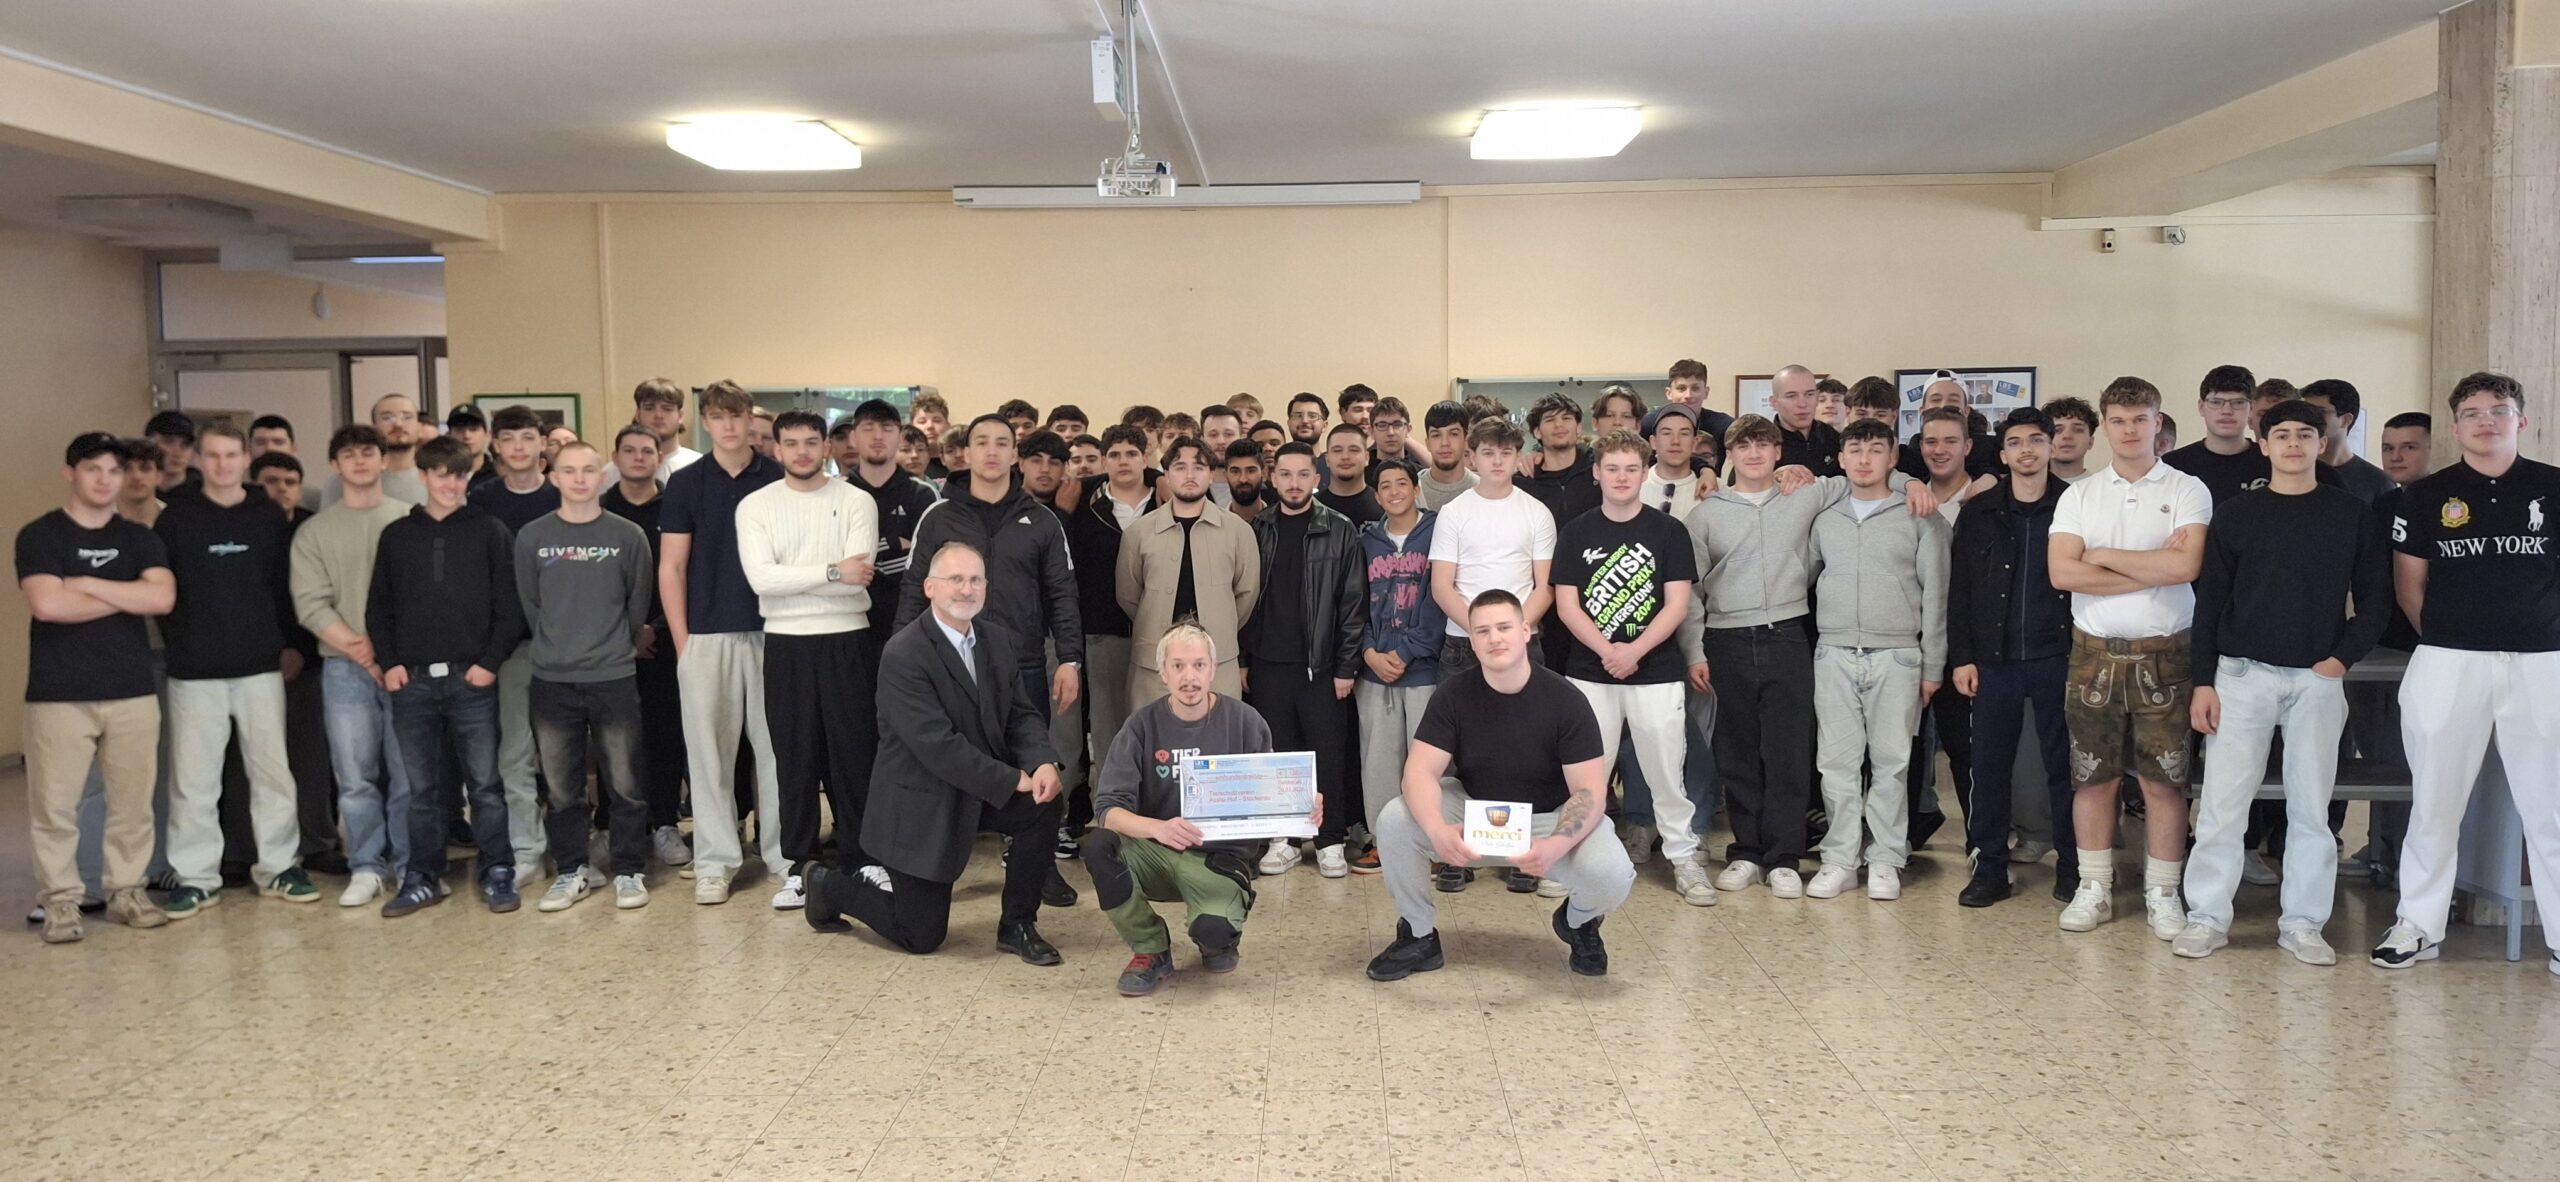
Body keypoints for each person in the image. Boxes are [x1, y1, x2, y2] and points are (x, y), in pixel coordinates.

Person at [2177, 400, 2390, 964]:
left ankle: (2302, 923)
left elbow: (2376, 600)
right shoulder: (2237, 514)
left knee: (2311, 807)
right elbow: (2210, 604)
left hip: (2317, 678)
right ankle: (2207, 916)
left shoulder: (2351, 514)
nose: (2293, 444)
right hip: (2241, 674)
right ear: (2263, 444)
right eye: (2281, 435)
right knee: (2224, 805)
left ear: (2323, 444)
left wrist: (2340, 661)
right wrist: (2204, 681)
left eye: (2305, 435)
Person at [2373, 372, 2560, 972]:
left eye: (2499, 410)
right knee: (2434, 803)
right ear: (2456, 427)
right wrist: (2459, 640)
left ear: (2520, 420)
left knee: (2550, 806)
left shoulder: (2553, 488)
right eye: (2473, 412)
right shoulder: (2425, 496)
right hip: (2450, 663)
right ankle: (2418, 925)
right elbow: (2411, 589)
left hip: (2543, 663)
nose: (2486, 421)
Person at [801, 542, 1067, 965]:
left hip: (978, 789)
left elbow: (1021, 714)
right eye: (955, 579)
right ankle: (829, 887)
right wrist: (1014, 779)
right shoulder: (904, 653)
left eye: (976, 579)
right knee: (921, 935)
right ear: (929, 587)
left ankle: (1018, 924)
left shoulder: (997, 641)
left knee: (1045, 800)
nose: (967, 589)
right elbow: (938, 747)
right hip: (924, 804)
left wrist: (1041, 762)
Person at [1366, 590, 1634, 980]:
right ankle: (1418, 935)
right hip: (1474, 812)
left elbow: (1588, 793)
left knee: (1612, 872)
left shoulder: (1566, 700)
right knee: (1394, 818)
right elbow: (1419, 772)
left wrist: (1554, 846)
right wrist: (1438, 831)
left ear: (1526, 631)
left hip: (1549, 819)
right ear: (1471, 640)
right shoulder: (1453, 695)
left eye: (1504, 627)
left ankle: (1578, 923)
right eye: (1483, 631)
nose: (1494, 638)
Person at [2048, 376, 2213, 939]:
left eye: (2140, 420)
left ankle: (2164, 891)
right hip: (2093, 657)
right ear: (2105, 426)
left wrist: (2105, 559)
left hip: (2166, 657)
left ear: (2158, 424)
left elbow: (2186, 568)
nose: (2129, 430)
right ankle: (2093, 886)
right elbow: (2062, 573)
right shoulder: (2079, 495)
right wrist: (2147, 566)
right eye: (2118, 420)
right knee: (2092, 778)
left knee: (2164, 782)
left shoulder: (2189, 489)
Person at [18, 433, 178, 942]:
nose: (106, 479)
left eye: (114, 470)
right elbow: (48, 606)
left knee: (132, 803)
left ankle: (127, 891)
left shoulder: (140, 538)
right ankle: (61, 900)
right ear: (71, 474)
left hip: (131, 689)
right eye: (94, 469)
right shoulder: (41, 536)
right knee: (56, 806)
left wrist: (83, 583)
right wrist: (129, 595)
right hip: (59, 693)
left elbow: (163, 599)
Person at [154, 422, 316, 915]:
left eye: (231, 455)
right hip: (194, 670)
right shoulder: (176, 517)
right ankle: (196, 876)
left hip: (259, 666)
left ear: (246, 460)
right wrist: (180, 647)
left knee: (272, 772)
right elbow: (165, 595)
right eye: (213, 456)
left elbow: (281, 587)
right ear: (199, 461)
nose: (222, 464)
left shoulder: (266, 514)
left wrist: (291, 645)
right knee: (195, 780)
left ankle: (278, 867)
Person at [1551, 432, 1710, 904]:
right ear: (1597, 472)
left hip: (1656, 671)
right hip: (1590, 670)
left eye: (1631, 469)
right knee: (1586, 774)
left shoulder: (1669, 532)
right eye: (1612, 468)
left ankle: (1683, 858)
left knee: (1666, 771)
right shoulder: (1577, 531)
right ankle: (1567, 858)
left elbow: (1677, 604)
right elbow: (1567, 605)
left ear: (1646, 474)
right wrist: (1609, 651)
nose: (1621, 477)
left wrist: (1634, 651)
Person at [368, 435, 523, 916]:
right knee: (423, 791)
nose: (451, 484)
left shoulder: (490, 530)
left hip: (470, 679)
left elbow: (510, 607)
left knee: (485, 786)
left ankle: (498, 869)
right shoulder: (397, 535)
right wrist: (390, 662)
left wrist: (489, 664)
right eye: (441, 474)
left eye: (459, 475)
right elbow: (379, 607)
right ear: (423, 476)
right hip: (411, 682)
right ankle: (423, 875)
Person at [1083, 624, 1281, 995]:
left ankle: (1218, 937)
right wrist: (1157, 829)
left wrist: (1303, 809)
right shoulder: (1140, 726)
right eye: (1177, 666)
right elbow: (1108, 810)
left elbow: (1271, 800)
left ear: (1213, 669)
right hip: (1156, 852)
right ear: (1163, 673)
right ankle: (1150, 949)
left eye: (1198, 665)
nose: (1189, 677)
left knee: (1214, 935)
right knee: (1098, 846)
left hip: (1217, 860)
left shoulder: (1245, 722)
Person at [1805, 418, 1950, 902]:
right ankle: (1840, 858)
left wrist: (1933, 666)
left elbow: (1937, 597)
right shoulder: (1825, 517)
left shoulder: (1920, 515)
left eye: (1875, 450)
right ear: (1841, 458)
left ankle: (1887, 856)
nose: (1864, 459)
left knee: (1891, 762)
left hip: (1899, 656)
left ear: (1893, 458)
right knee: (1836, 762)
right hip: (1834, 652)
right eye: (1855, 450)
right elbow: (1804, 576)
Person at [738, 410, 881, 895]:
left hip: (847, 638)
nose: (801, 451)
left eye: (810, 441)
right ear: (775, 450)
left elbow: (858, 576)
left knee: (854, 751)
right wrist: (832, 571)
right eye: (791, 442)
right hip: (785, 642)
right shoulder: (755, 506)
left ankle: (863, 857)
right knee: (794, 754)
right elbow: (762, 580)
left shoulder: (857, 500)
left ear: (826, 447)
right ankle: (799, 866)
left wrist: (811, 577)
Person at [658, 379, 786, 905]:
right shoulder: (687, 482)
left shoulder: (778, 476)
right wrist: (683, 642)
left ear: (748, 420)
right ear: (704, 423)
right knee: (708, 756)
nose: (729, 425)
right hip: (705, 636)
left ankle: (785, 853)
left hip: (774, 632)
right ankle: (716, 860)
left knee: (779, 752)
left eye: (736, 415)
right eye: (718, 416)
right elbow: (672, 566)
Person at [896, 416, 1083, 773]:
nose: (991, 451)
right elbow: (913, 590)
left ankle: (1024, 830)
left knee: (1027, 758)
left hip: (1023, 662)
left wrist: (1070, 660)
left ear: (1015, 454)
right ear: (966, 453)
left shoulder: (1042, 520)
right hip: (950, 660)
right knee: (957, 760)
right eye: (981, 442)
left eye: (1001, 443)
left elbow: (1062, 594)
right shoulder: (938, 516)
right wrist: (900, 657)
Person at [514, 441, 655, 913]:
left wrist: (613, 643)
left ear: (603, 476)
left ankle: (630, 869)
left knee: (626, 783)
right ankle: (573, 870)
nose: (578, 478)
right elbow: (532, 605)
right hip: (552, 680)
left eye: (588, 470)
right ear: (552, 476)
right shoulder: (532, 537)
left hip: (613, 675)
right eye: (568, 470)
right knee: (560, 787)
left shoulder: (628, 535)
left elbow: (637, 606)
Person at [1949, 409, 2080, 907]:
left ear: (2051, 447)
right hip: (1993, 659)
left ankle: (2072, 867)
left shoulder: (2076, 506)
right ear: (2002, 454)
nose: (2026, 450)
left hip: (2060, 656)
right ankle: (1990, 868)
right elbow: (1959, 591)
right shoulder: (1979, 510)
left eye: (2036, 441)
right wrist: (1962, 657)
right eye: (2015, 442)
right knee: (1989, 765)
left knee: (2065, 768)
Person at [290, 425, 416, 907]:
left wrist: (391, 654)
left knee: (407, 776)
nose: (360, 461)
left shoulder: (409, 519)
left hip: (404, 667)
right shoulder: (315, 531)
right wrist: (363, 651)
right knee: (355, 775)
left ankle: (409, 865)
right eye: (349, 454)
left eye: (369, 452)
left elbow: (423, 599)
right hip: (344, 669)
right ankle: (366, 865)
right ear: (336, 466)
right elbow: (310, 603)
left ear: (383, 461)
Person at [1242, 441, 1366, 878]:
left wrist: (1347, 666)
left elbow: (1353, 604)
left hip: (1322, 666)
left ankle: (1330, 840)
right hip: (1268, 663)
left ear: (1317, 479)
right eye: (1285, 474)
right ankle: (1284, 838)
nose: (1294, 483)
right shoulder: (1257, 528)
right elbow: (1245, 599)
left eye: (1303, 475)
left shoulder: (1341, 529)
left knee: (1327, 754)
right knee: (1279, 755)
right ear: (1273, 480)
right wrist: (1243, 659)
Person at [468, 404, 563, 878]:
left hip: (564, 645)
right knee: (515, 754)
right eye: (510, 439)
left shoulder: (564, 494)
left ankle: (572, 850)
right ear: (495, 445)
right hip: (507, 648)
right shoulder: (480, 501)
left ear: (541, 444)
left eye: (528, 438)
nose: (520, 447)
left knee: (567, 755)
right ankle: (527, 848)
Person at [600, 424, 690, 871]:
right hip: (609, 646)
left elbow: (681, 571)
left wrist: (652, 628)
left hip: (666, 638)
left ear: (659, 457)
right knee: (613, 739)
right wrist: (625, 633)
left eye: (646, 451)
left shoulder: (674, 506)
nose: (638, 457)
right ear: (614, 457)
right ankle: (616, 826)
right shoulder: (598, 510)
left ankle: (665, 823)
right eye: (629, 450)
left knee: (665, 734)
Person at [1118, 436, 1259, 707]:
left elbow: (1246, 594)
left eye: (1199, 467)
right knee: (1153, 743)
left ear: (1211, 475)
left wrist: (1221, 623)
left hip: (1218, 661)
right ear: (1167, 474)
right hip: (1153, 665)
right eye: (1180, 467)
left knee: (1218, 740)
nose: (1190, 475)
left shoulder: (1238, 531)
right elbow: (1129, 596)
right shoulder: (1138, 532)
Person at [1354, 459, 1445, 871]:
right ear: (1376, 495)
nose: (1394, 491)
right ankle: (1382, 840)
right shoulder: (1366, 541)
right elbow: (1353, 602)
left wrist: (1408, 651)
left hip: (1424, 669)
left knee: (1427, 763)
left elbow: (1439, 599)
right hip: (1375, 671)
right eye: (1385, 485)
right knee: (1378, 760)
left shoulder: (1439, 532)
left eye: (1402, 483)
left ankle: (1434, 842)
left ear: (1416, 488)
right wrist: (1370, 652)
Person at [1066, 425, 1156, 843]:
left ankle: (1155, 815)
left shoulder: (1168, 499)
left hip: (1161, 636)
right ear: (1104, 461)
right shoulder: (1084, 503)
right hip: (1104, 635)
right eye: (1115, 454)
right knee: (1108, 733)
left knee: (1158, 729)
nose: (1123, 461)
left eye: (1131, 453)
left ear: (1146, 457)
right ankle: (1112, 821)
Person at [1429, 417, 1555, 685]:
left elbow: (1545, 586)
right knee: (1461, 724)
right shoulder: (1453, 513)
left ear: (1518, 457)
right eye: (1488, 453)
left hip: (1523, 637)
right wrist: (1480, 631)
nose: (1497, 462)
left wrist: (1512, 631)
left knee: (1528, 724)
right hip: (1464, 639)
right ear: (1472, 457)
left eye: (1506, 453)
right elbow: (1441, 586)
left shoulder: (1537, 512)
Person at [1518, 393, 1600, 546]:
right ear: (1537, 432)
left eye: (1566, 418)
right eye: (1550, 420)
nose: (1559, 425)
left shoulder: (1600, 469)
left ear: (1579, 427)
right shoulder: (1523, 482)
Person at [319, 395, 427, 507]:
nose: (398, 424)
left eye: (407, 417)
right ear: (374, 427)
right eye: (387, 418)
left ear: (419, 427)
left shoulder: (436, 479)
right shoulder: (343, 482)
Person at [2299, 379, 2395, 505]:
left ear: (2345, 420)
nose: (2308, 419)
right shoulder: (2293, 470)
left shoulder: (2378, 482)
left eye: (2320, 412)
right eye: (2305, 411)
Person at [1638, 404, 1711, 520]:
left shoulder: (1713, 488)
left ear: (1694, 442)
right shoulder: (1634, 486)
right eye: (1667, 433)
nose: (1676, 441)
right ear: (1653, 442)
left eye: (1684, 433)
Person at [1768, 365, 1842, 477]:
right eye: (1791, 396)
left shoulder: (1833, 438)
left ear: (1817, 397)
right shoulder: (1760, 444)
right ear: (1774, 402)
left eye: (1809, 394)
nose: (1802, 404)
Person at [1415, 400, 1478, 511]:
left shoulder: (1484, 489)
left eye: (1453, 434)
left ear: (1466, 440)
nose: (1444, 443)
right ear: (1428, 443)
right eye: (1436, 435)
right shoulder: (1410, 490)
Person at [633, 377, 701, 481]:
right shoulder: (618, 470)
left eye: (667, 409)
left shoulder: (701, 467)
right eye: (649, 408)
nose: (658, 415)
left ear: (680, 416)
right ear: (638, 415)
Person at [1316, 423, 1383, 525]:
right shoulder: (1313, 507)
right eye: (1337, 450)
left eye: (1353, 450)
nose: (1345, 456)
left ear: (1366, 458)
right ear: (1327, 460)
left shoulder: (1384, 505)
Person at [1662, 359, 1736, 445]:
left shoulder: (1725, 427)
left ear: (1706, 392)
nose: (1688, 395)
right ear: (1669, 393)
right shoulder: (1649, 425)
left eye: (1695, 388)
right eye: (1681, 388)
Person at [2044, 397, 2099, 483]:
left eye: (2078, 430)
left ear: (2090, 442)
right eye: (2057, 430)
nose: (2067, 436)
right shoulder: (2027, 489)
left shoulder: (2103, 489)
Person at [144, 410, 200, 494]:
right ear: (149, 444)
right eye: (168, 441)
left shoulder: (208, 495)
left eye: (186, 444)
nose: (177, 453)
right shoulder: (132, 492)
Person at [443, 405, 497, 489]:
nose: (467, 436)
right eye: (459, 430)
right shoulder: (440, 474)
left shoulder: (498, 475)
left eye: (473, 429)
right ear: (449, 436)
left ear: (487, 435)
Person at [1367, 396, 1419, 473]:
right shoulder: (1359, 476)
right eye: (1382, 425)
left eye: (1397, 425)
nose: (1390, 432)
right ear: (1371, 431)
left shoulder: (1421, 476)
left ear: (1408, 429)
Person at [1222, 439, 1268, 523]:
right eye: (1235, 471)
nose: (1243, 479)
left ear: (1264, 474)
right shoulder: (1213, 527)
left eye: (1251, 471)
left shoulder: (1279, 524)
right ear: (1225, 476)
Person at [908, 392, 951, 478]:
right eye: (922, 421)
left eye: (937, 420)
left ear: (948, 425)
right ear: (912, 427)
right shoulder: (904, 465)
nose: (930, 426)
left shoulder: (959, 462)